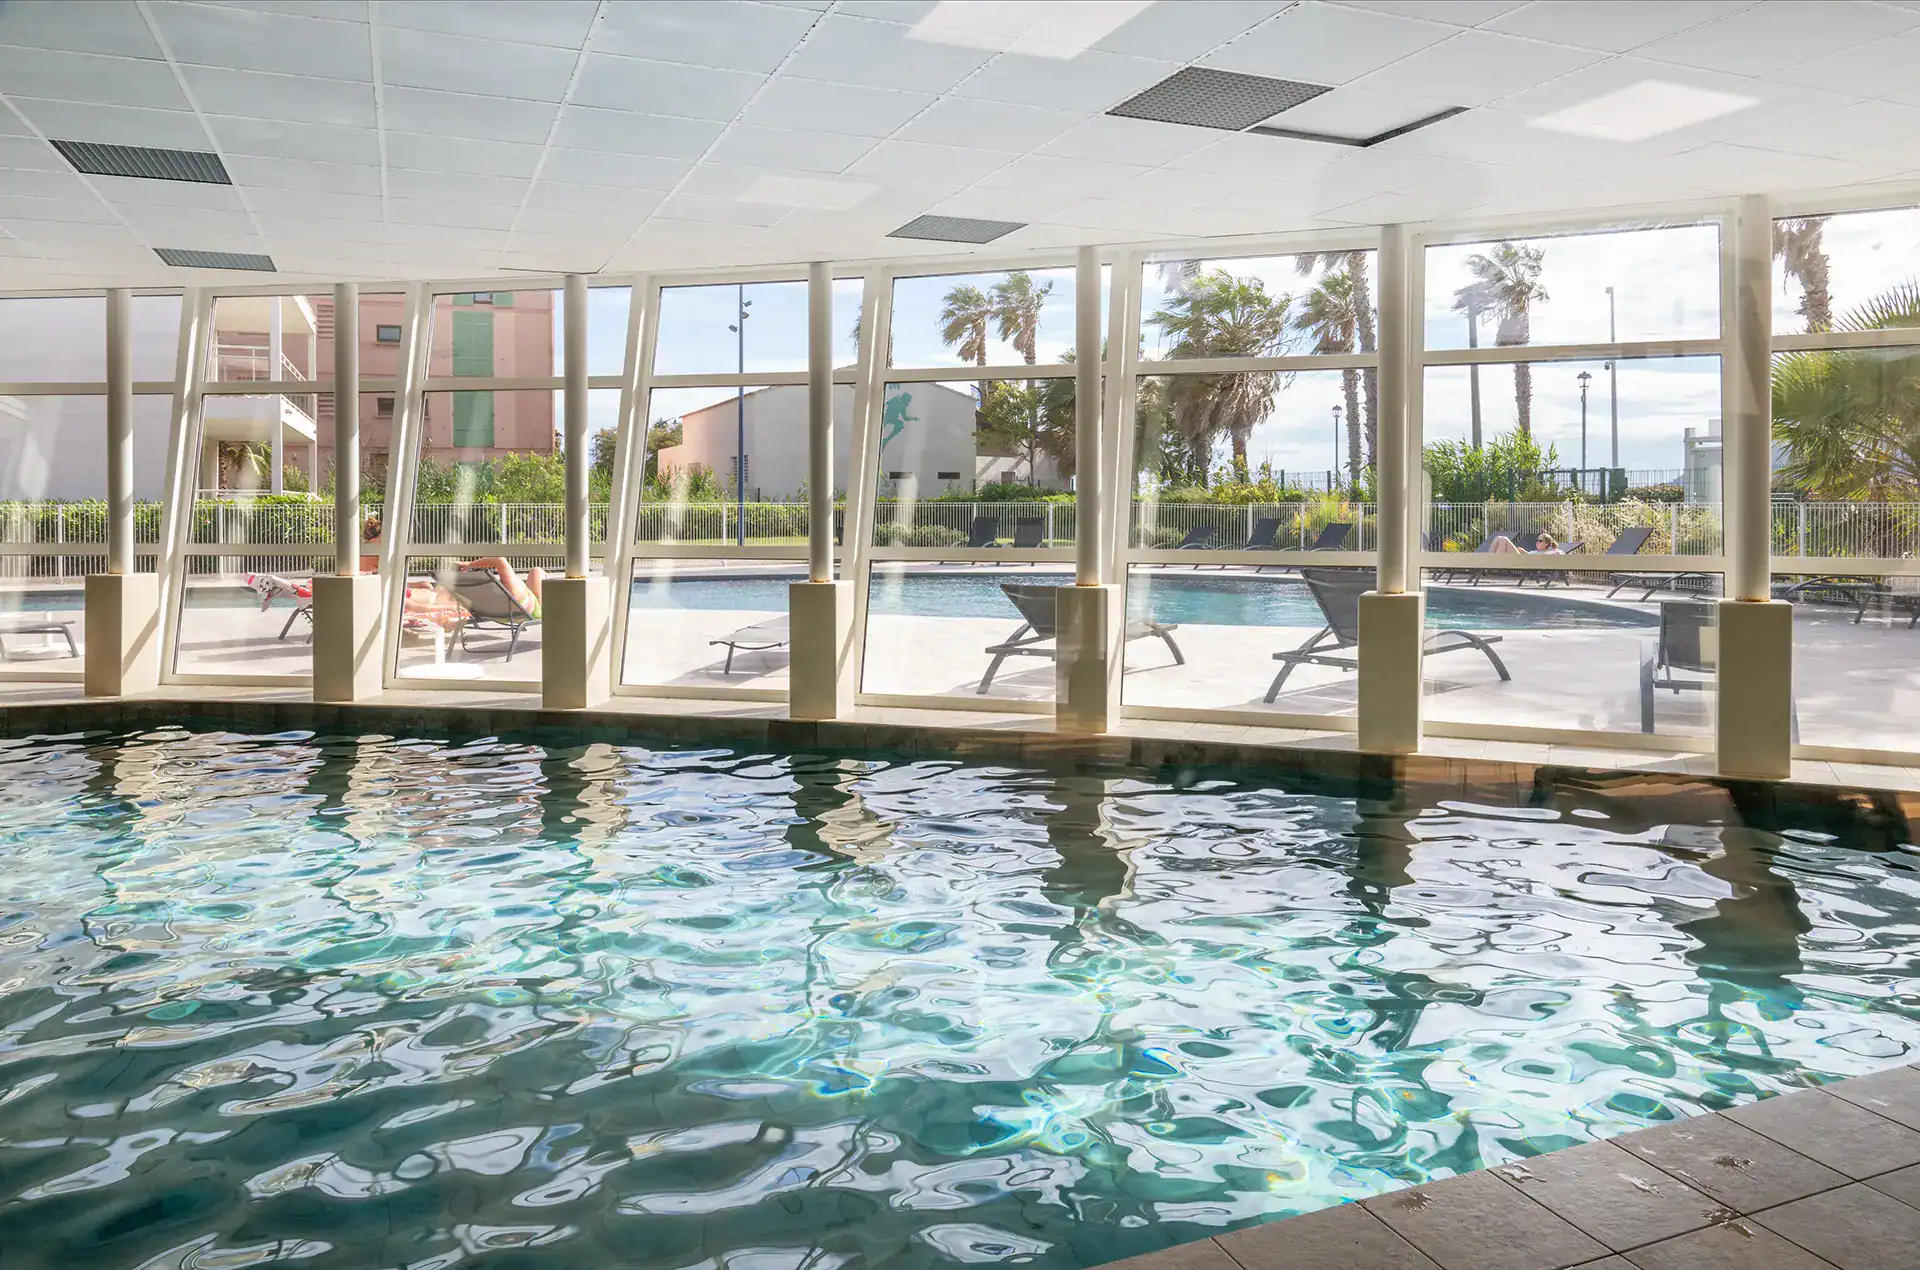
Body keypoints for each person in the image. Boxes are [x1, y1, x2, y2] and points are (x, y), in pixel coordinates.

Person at [1489, 530, 1562, 555]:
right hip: (1522, 558)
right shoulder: (1537, 551)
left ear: (1546, 544)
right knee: (1498, 538)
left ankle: (1495, 561)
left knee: (1504, 539)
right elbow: (1530, 556)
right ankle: (1488, 559)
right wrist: (1525, 552)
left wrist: (1546, 554)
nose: (1537, 542)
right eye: (1537, 540)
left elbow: (1559, 553)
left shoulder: (1549, 551)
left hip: (1520, 561)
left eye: (1540, 541)